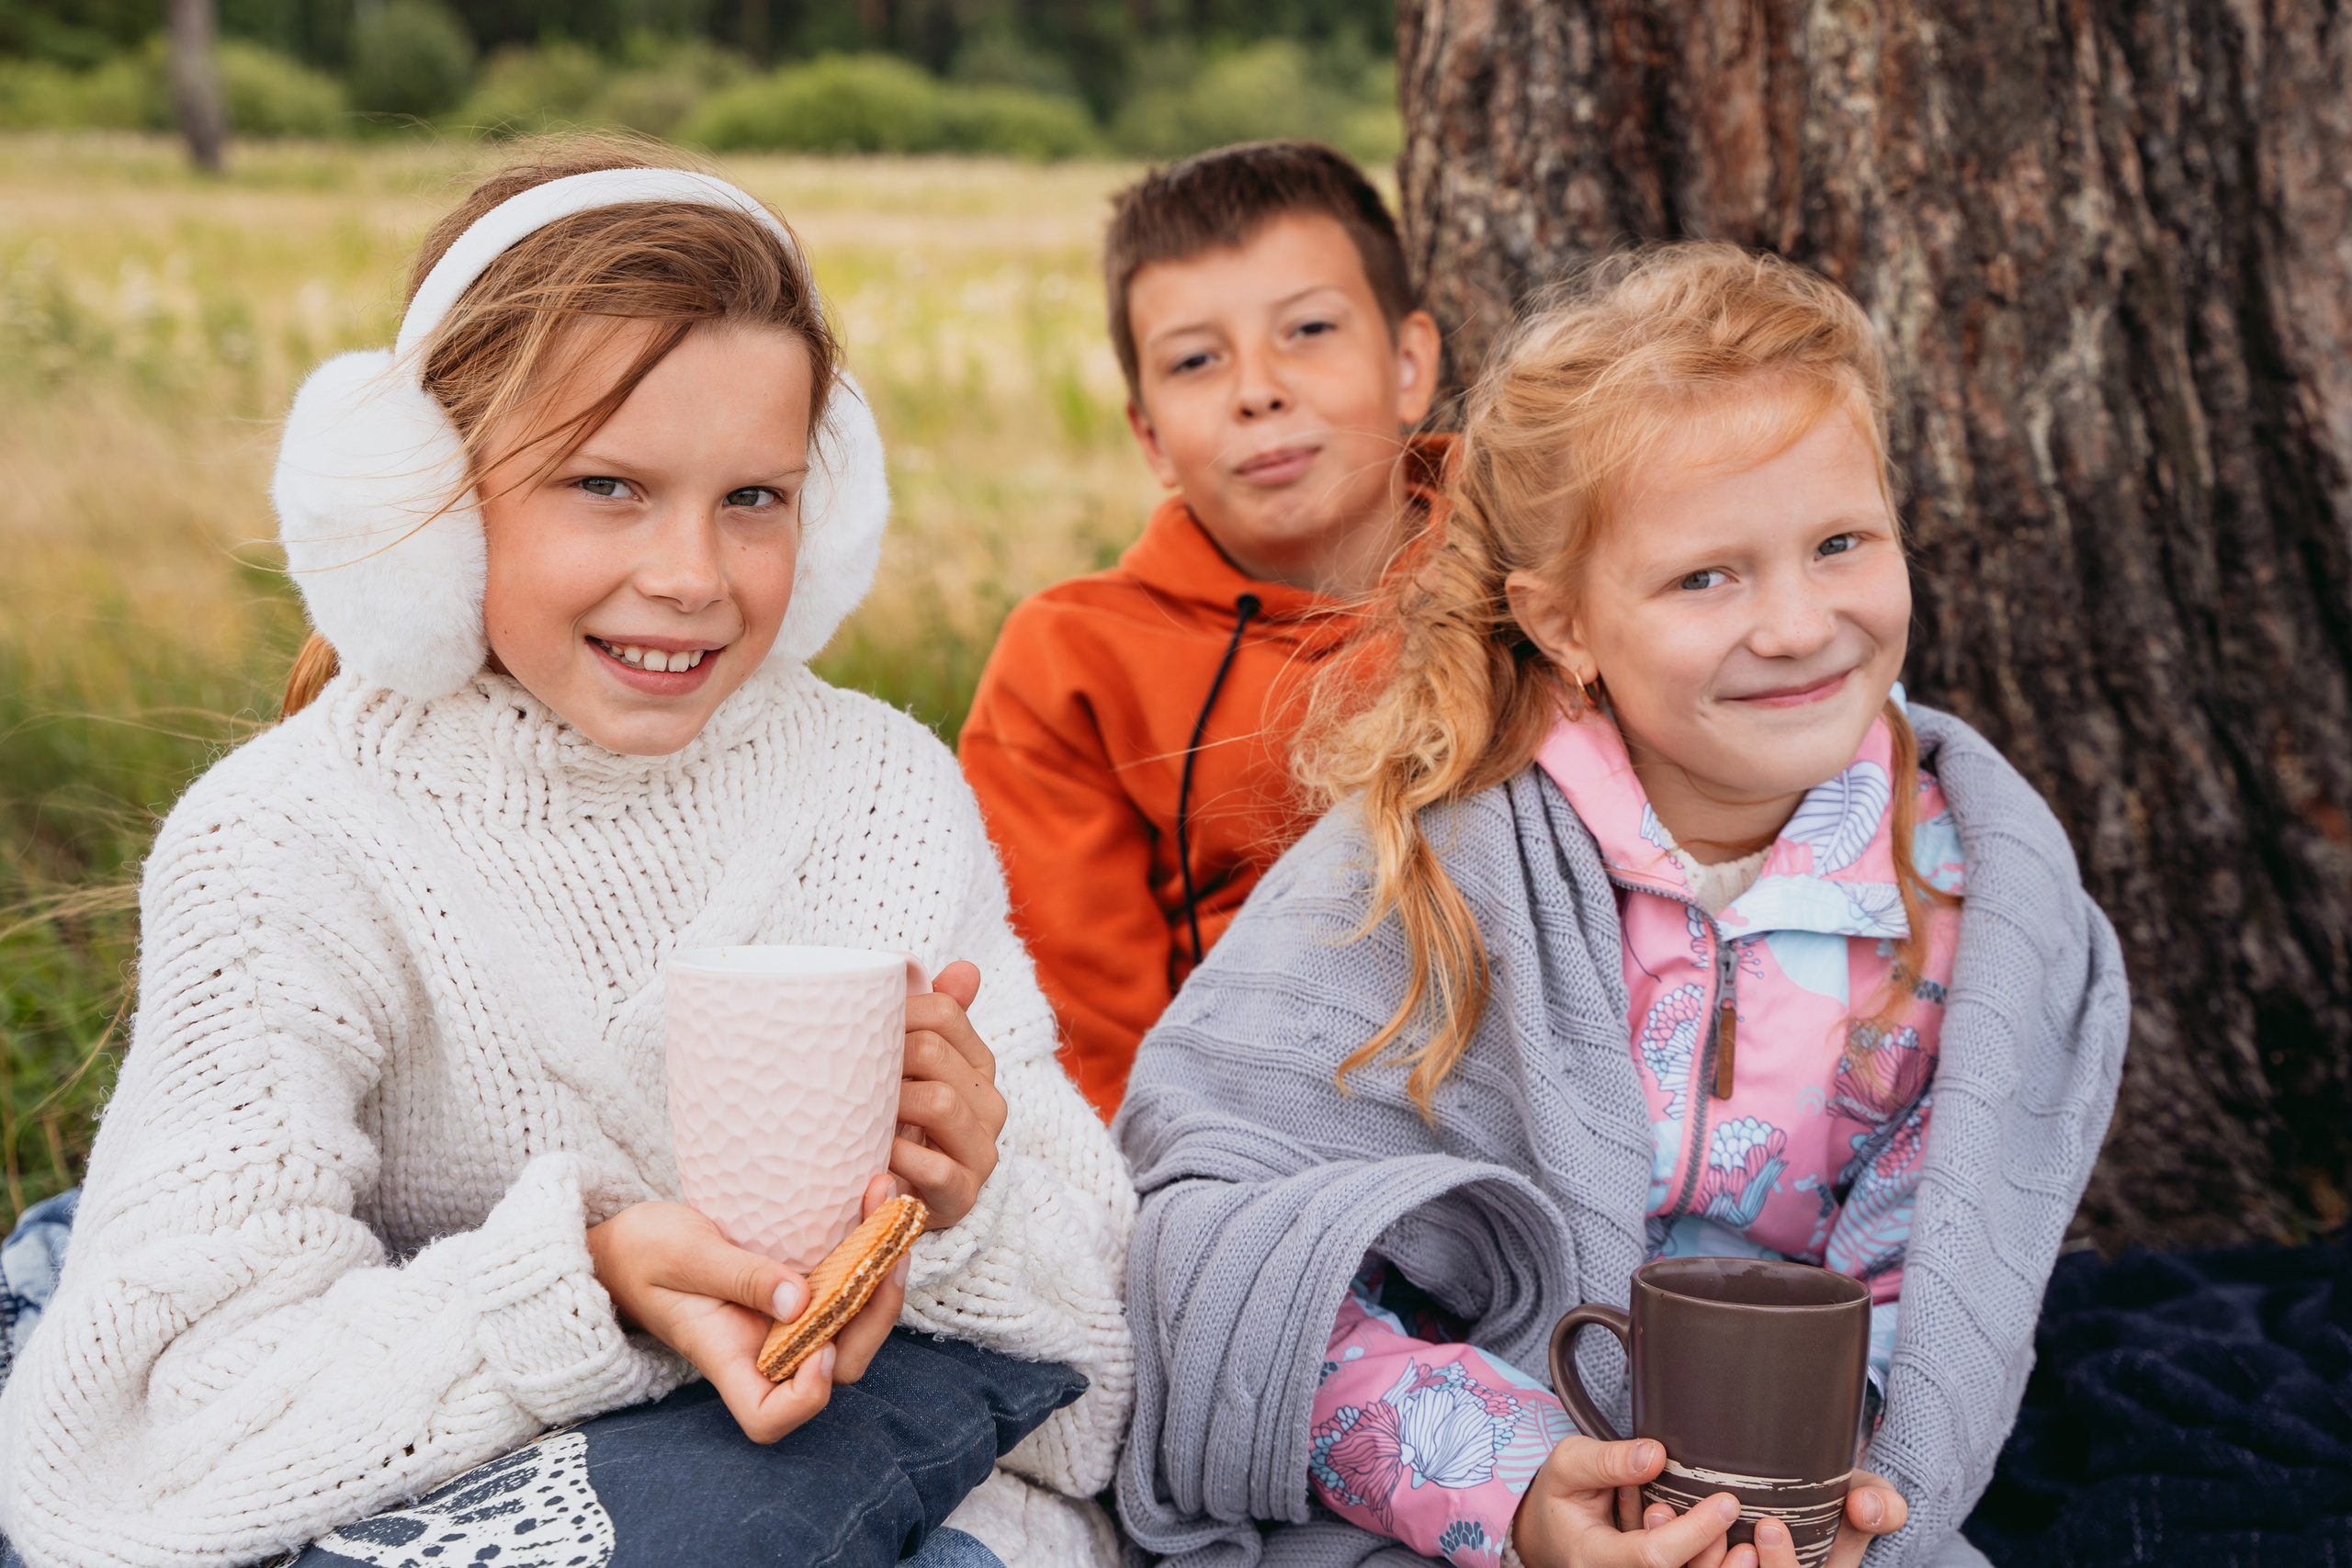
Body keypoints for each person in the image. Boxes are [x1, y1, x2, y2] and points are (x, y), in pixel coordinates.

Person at [0, 139, 1132, 1568]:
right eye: (607, 484)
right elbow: (132, 1447)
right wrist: (585, 1287)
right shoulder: (287, 834)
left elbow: (1101, 1371)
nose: (693, 575)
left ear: (826, 511)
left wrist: (966, 1203)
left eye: (755, 497)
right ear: (425, 501)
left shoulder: (879, 789)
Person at [1114, 244, 2129, 1568]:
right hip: (1475, 1484)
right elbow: (1218, 1230)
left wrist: (1841, 1498)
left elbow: (1930, 1283)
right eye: (1707, 576)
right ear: (1563, 623)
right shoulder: (1432, 862)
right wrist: (1521, 1490)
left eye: (1840, 543)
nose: (1796, 622)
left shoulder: (1967, 902)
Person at [957, 140, 1444, 1119]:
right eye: (1195, 360)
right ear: (1149, 437)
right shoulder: (1074, 663)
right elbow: (1080, 1031)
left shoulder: (1543, 576)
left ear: (1407, 364)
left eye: (1308, 329)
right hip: (1234, 1159)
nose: (1255, 389)